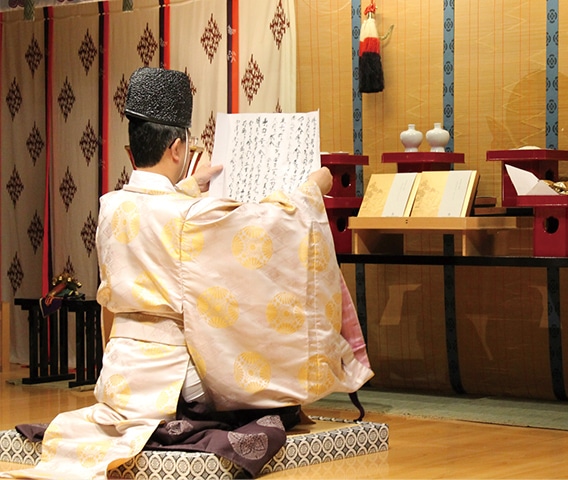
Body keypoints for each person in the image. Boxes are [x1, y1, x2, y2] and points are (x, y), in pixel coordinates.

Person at [2, 67, 373, 480]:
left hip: (121, 374)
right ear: (178, 148)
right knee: (272, 401)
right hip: (174, 379)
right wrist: (310, 191)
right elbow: (268, 223)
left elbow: (157, 216)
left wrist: (191, 185)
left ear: (131, 153)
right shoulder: (188, 216)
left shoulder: (110, 206)